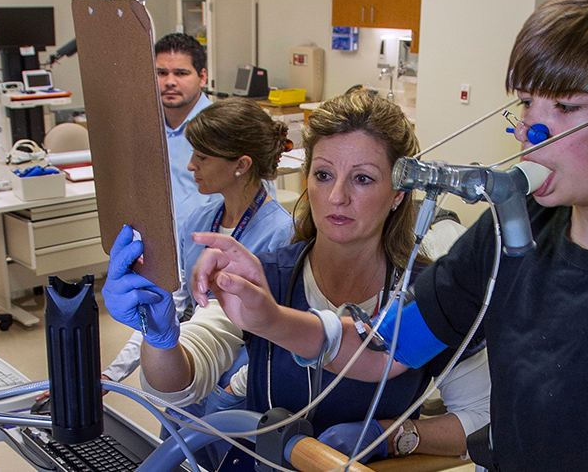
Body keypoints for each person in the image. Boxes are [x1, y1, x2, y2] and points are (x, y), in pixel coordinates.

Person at [187, 0, 588, 471]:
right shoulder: (509, 234)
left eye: (567, 107)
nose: (532, 133)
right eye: (526, 104)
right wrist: (268, 316)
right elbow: (385, 353)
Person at [104, 91, 490, 465]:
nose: (337, 196)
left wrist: (392, 436)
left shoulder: (431, 296)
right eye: (323, 174)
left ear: (398, 194)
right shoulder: (265, 277)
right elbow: (178, 387)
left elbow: (481, 420)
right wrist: (160, 338)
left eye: (362, 179)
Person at [98, 98, 295, 453]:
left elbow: (281, 339)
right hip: (186, 370)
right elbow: (169, 305)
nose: (190, 165)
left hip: (239, 394)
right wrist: (114, 371)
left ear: (241, 164)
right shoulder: (201, 221)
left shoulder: (282, 235)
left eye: (202, 157)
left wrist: (231, 391)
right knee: (177, 457)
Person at [155, 32, 216, 234]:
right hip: (155, 245)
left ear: (202, 77)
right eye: (161, 73)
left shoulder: (222, 129)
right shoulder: (144, 129)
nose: (170, 82)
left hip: (208, 248)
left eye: (181, 73)